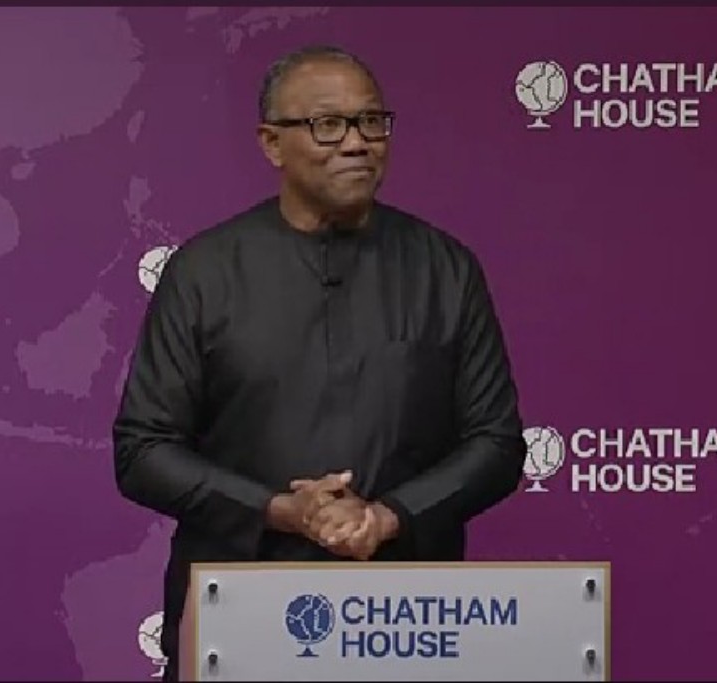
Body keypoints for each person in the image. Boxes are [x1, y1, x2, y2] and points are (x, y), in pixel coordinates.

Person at [112, 44, 526, 681]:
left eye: (371, 122)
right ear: (272, 143)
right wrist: (280, 510)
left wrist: (387, 517)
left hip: (406, 625)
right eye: (327, 124)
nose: (356, 143)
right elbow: (143, 451)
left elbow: (496, 444)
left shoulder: (446, 270)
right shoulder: (203, 273)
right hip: (237, 617)